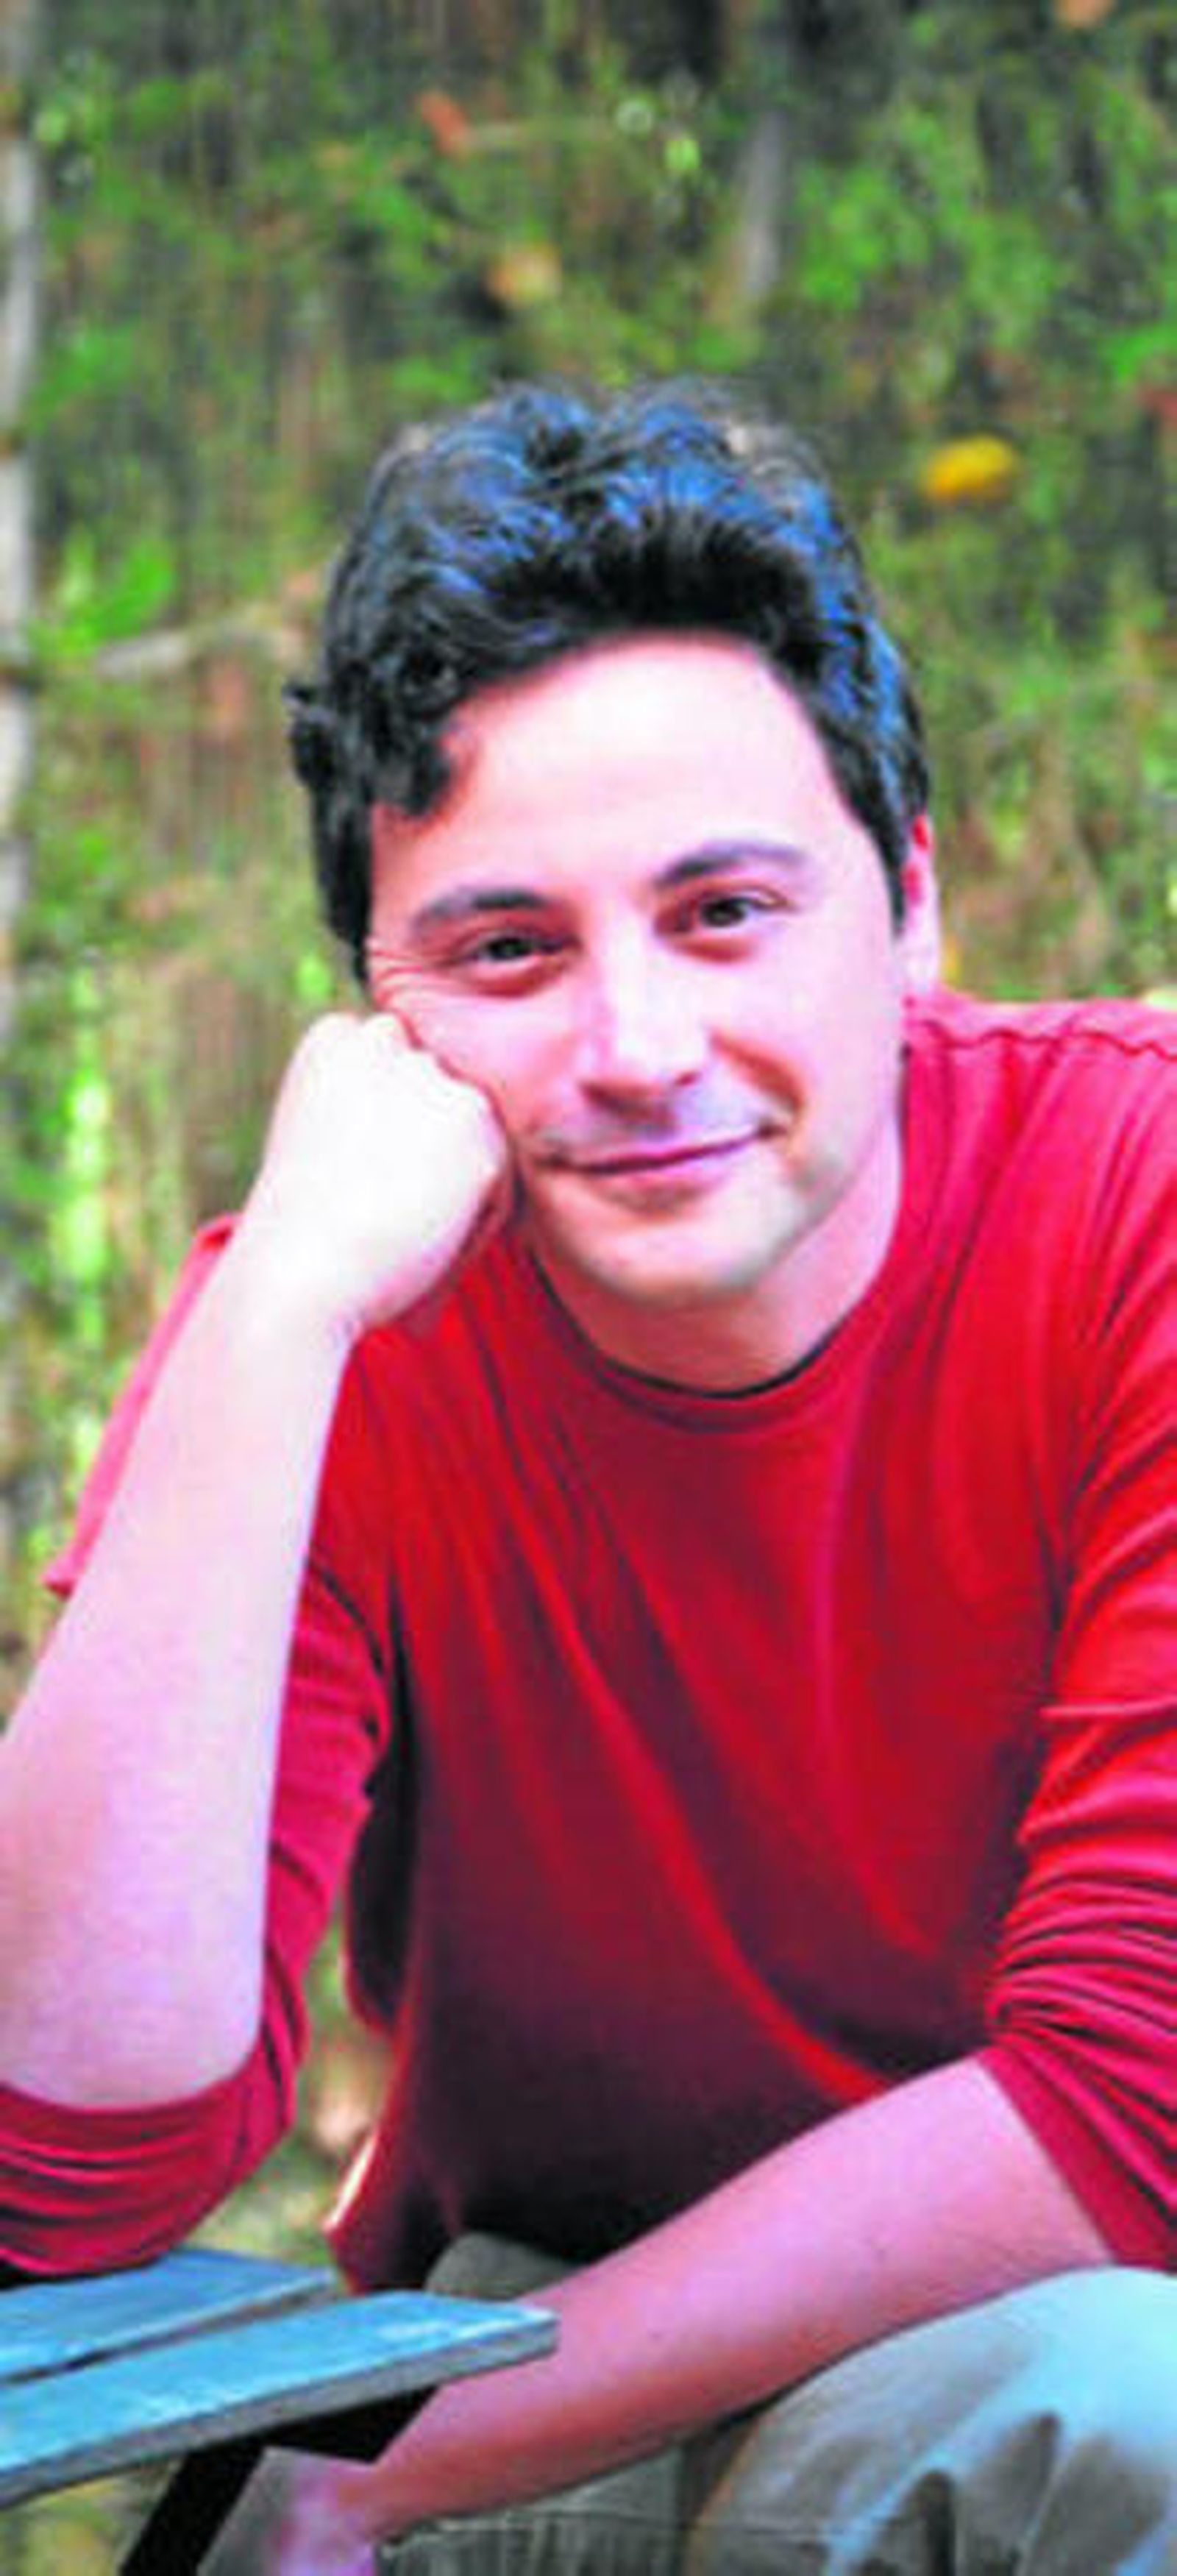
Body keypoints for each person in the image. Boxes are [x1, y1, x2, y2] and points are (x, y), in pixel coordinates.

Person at [1, 381, 1175, 2575]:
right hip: (536, 2345)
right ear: (378, 1010)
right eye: (506, 950)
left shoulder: (1137, 1194)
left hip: (1018, 2335)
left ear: (910, 904)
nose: (635, 1052)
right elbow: (61, 2165)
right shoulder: (339, 1321)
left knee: (1132, 2404)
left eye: (723, 912)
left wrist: (368, 2474)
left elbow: (1133, 2108)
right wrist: (275, 1319)